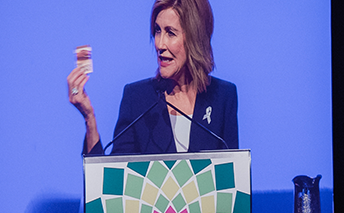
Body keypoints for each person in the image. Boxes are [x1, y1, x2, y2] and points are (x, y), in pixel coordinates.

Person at [67, 0, 238, 156]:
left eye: (170, 33)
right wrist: (89, 118)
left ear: (195, 38)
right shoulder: (137, 98)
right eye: (157, 31)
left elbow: (233, 178)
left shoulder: (223, 96)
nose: (159, 44)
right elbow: (112, 184)